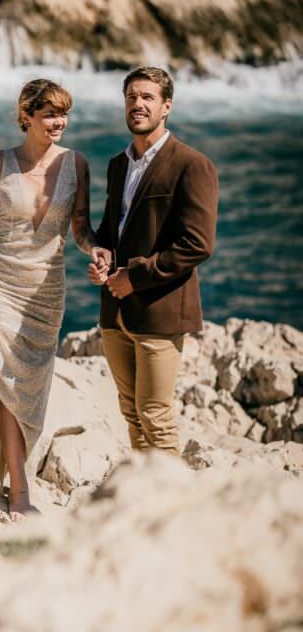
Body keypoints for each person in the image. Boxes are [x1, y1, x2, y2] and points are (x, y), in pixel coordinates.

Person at [0, 78, 105, 519]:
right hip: (0, 286)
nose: (59, 122)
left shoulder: (76, 164)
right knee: (5, 387)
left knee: (30, 392)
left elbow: (80, 229)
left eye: (64, 113)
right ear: (26, 116)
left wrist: (97, 249)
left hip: (46, 292)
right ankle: (19, 492)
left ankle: (16, 482)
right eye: (50, 114)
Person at [88, 66, 218, 456]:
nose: (138, 104)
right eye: (131, 97)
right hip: (115, 311)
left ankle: (171, 510)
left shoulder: (192, 165)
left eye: (147, 97)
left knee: (155, 415)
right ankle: (145, 504)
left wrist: (135, 277)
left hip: (160, 310)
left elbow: (197, 244)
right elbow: (111, 230)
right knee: (131, 413)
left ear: (166, 107)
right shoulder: (117, 165)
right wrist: (101, 258)